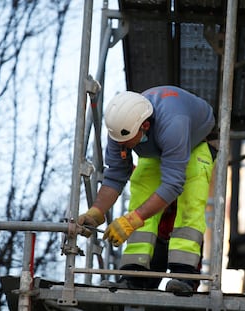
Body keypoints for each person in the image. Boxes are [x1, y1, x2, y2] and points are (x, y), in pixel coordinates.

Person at [77, 85, 215, 294]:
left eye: (127, 142)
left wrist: (131, 220)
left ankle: (184, 276)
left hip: (198, 141)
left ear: (145, 126)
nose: (122, 147)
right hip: (159, 150)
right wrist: (96, 212)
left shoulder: (173, 124)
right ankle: (135, 274)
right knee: (141, 185)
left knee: (190, 201)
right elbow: (115, 174)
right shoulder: (119, 130)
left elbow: (173, 184)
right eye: (119, 142)